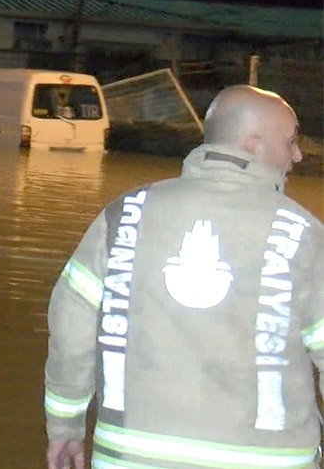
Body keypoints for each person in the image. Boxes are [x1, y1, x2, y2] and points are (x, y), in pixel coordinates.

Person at [44, 85, 321, 469]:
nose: (297, 154)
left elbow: (71, 332)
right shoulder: (305, 235)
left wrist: (65, 427)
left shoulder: (122, 215)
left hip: (130, 457)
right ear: (252, 143)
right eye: (290, 141)